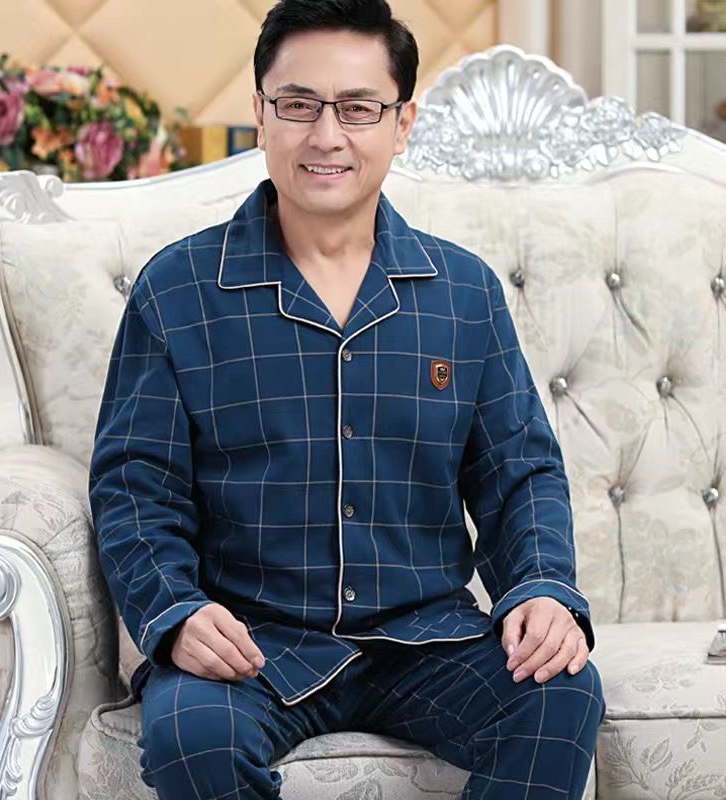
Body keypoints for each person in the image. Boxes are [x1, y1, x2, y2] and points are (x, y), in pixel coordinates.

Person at [87, 1, 606, 797]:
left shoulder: (463, 292)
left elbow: (520, 473)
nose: (327, 135)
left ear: (402, 125)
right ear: (261, 114)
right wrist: (177, 612)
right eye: (299, 104)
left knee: (561, 693)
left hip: (429, 639)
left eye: (359, 108)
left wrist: (540, 588)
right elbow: (134, 486)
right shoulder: (178, 288)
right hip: (249, 644)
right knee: (192, 739)